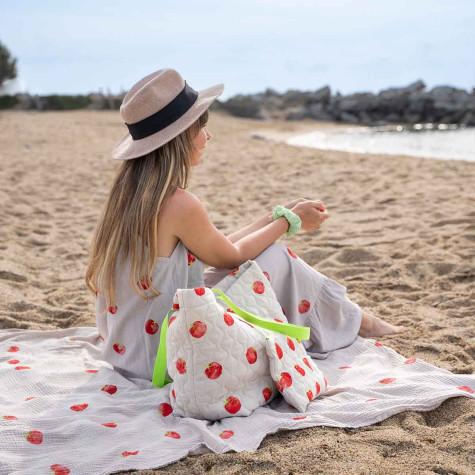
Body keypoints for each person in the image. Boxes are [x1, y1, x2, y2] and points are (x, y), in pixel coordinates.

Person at [85, 68, 407, 382]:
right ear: (181, 138)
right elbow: (233, 257)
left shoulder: (128, 197)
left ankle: (354, 319)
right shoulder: (178, 203)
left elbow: (220, 249)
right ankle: (357, 322)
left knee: (256, 260)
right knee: (276, 259)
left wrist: (276, 216)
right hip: (167, 359)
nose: (208, 136)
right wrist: (290, 222)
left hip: (128, 355)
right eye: (202, 126)